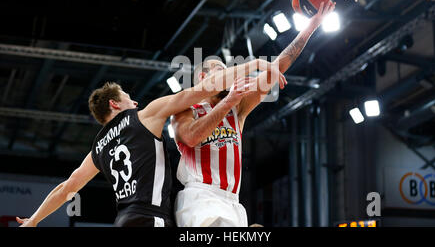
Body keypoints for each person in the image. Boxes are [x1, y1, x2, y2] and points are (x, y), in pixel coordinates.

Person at [15, 58, 285, 227]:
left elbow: (65, 188)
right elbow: (203, 89)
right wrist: (254, 65)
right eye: (129, 98)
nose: (135, 102)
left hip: (123, 219)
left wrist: (34, 221)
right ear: (114, 103)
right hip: (151, 217)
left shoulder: (98, 148)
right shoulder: (143, 115)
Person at [172, 1, 335, 227]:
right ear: (202, 78)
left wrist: (311, 27)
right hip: (200, 197)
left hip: (232, 201)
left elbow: (279, 65)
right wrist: (228, 100)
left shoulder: (236, 109)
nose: (229, 77)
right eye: (222, 72)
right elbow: (191, 137)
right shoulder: (184, 110)